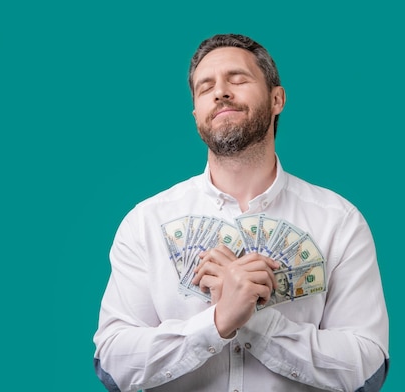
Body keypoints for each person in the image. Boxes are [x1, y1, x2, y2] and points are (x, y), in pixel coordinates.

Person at [93, 33, 389, 392]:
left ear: (277, 99)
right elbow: (114, 362)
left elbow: (366, 365)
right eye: (206, 88)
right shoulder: (145, 223)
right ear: (197, 114)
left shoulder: (339, 221)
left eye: (238, 79)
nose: (220, 92)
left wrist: (256, 321)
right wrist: (218, 321)